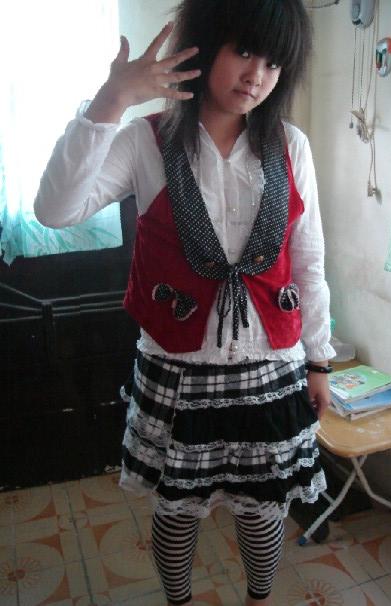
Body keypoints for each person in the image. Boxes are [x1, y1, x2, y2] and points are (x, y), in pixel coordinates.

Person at [35, 1, 336, 604]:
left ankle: (258, 599)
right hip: (178, 367)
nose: (257, 75)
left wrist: (319, 359)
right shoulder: (145, 142)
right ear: (204, 44)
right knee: (177, 512)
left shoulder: (290, 145)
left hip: (271, 366)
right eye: (243, 50)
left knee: (263, 509)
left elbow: (308, 261)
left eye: (274, 62)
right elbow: (55, 210)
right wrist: (111, 100)